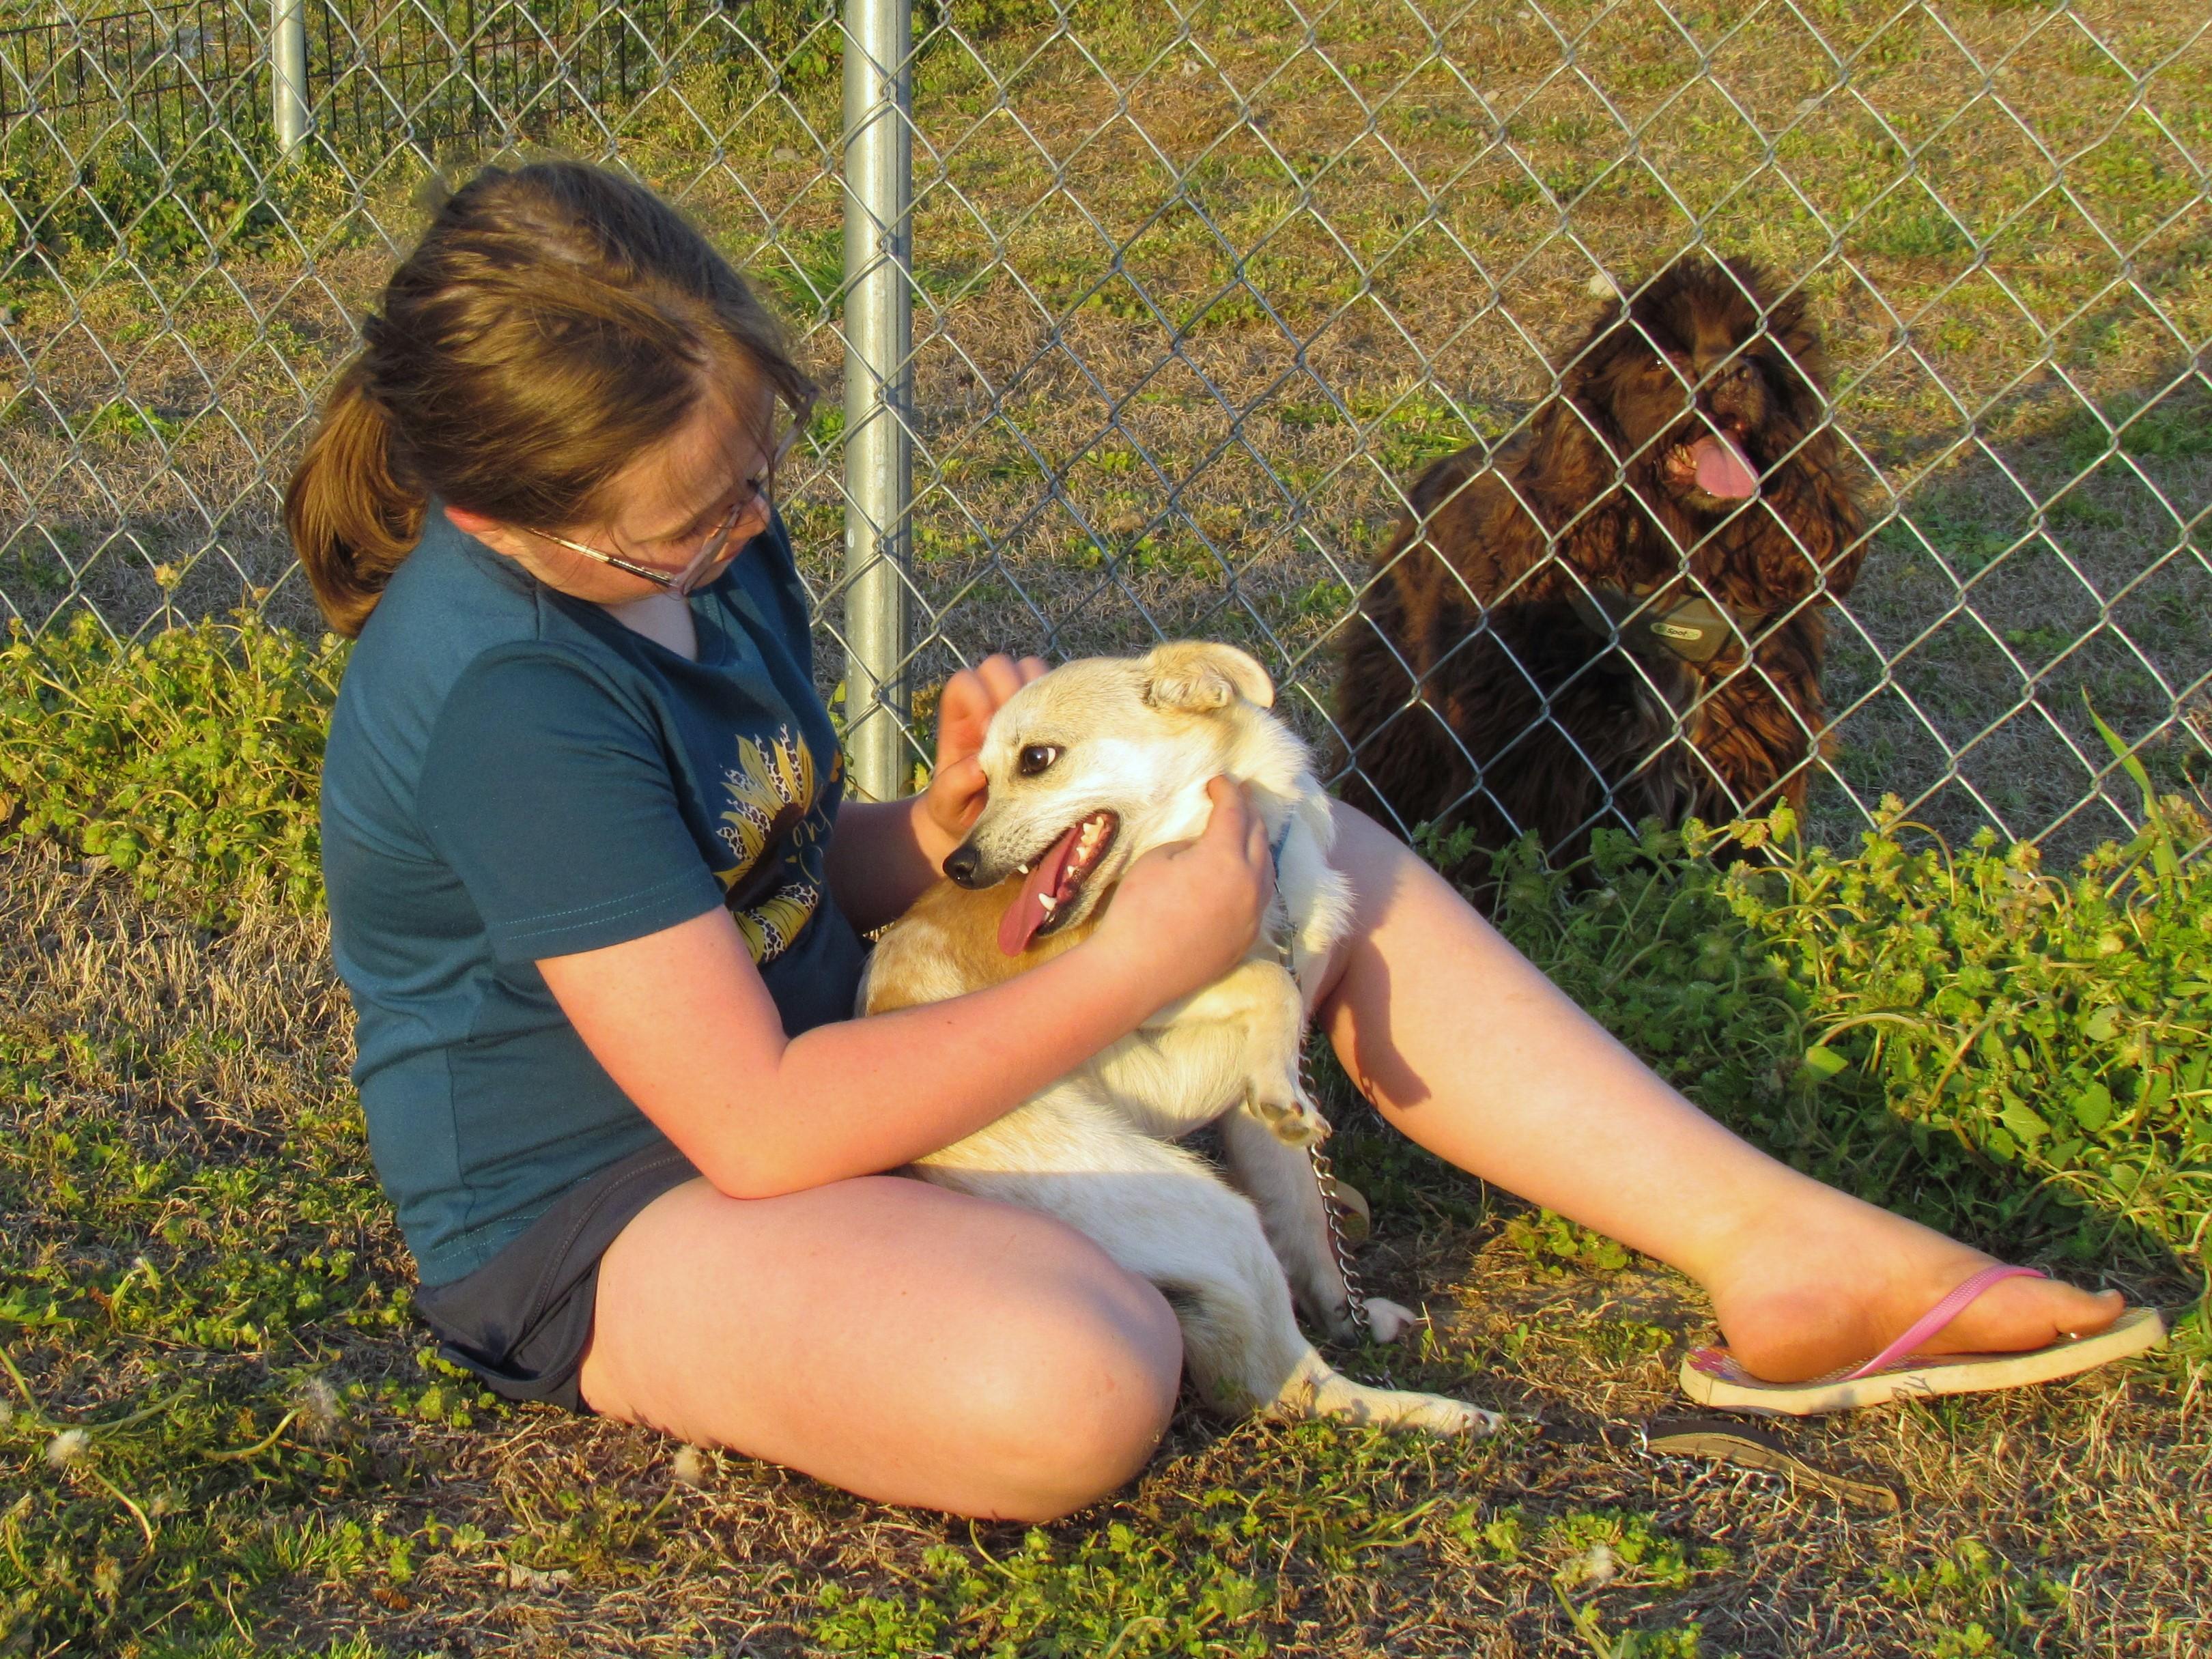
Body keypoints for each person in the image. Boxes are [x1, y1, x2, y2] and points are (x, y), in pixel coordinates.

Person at [294, 160, 2137, 1526]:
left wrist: (930, 839)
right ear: (505, 508)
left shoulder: (681, 531)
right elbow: (754, 1121)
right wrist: (1153, 962)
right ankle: (878, 1312)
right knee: (1072, 1386)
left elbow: (761, 866)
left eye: (761, 476)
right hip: (623, 1204)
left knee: (1284, 840)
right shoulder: (507, 702)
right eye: (701, 519)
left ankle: (1781, 1251)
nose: (752, 526)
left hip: (839, 1059)